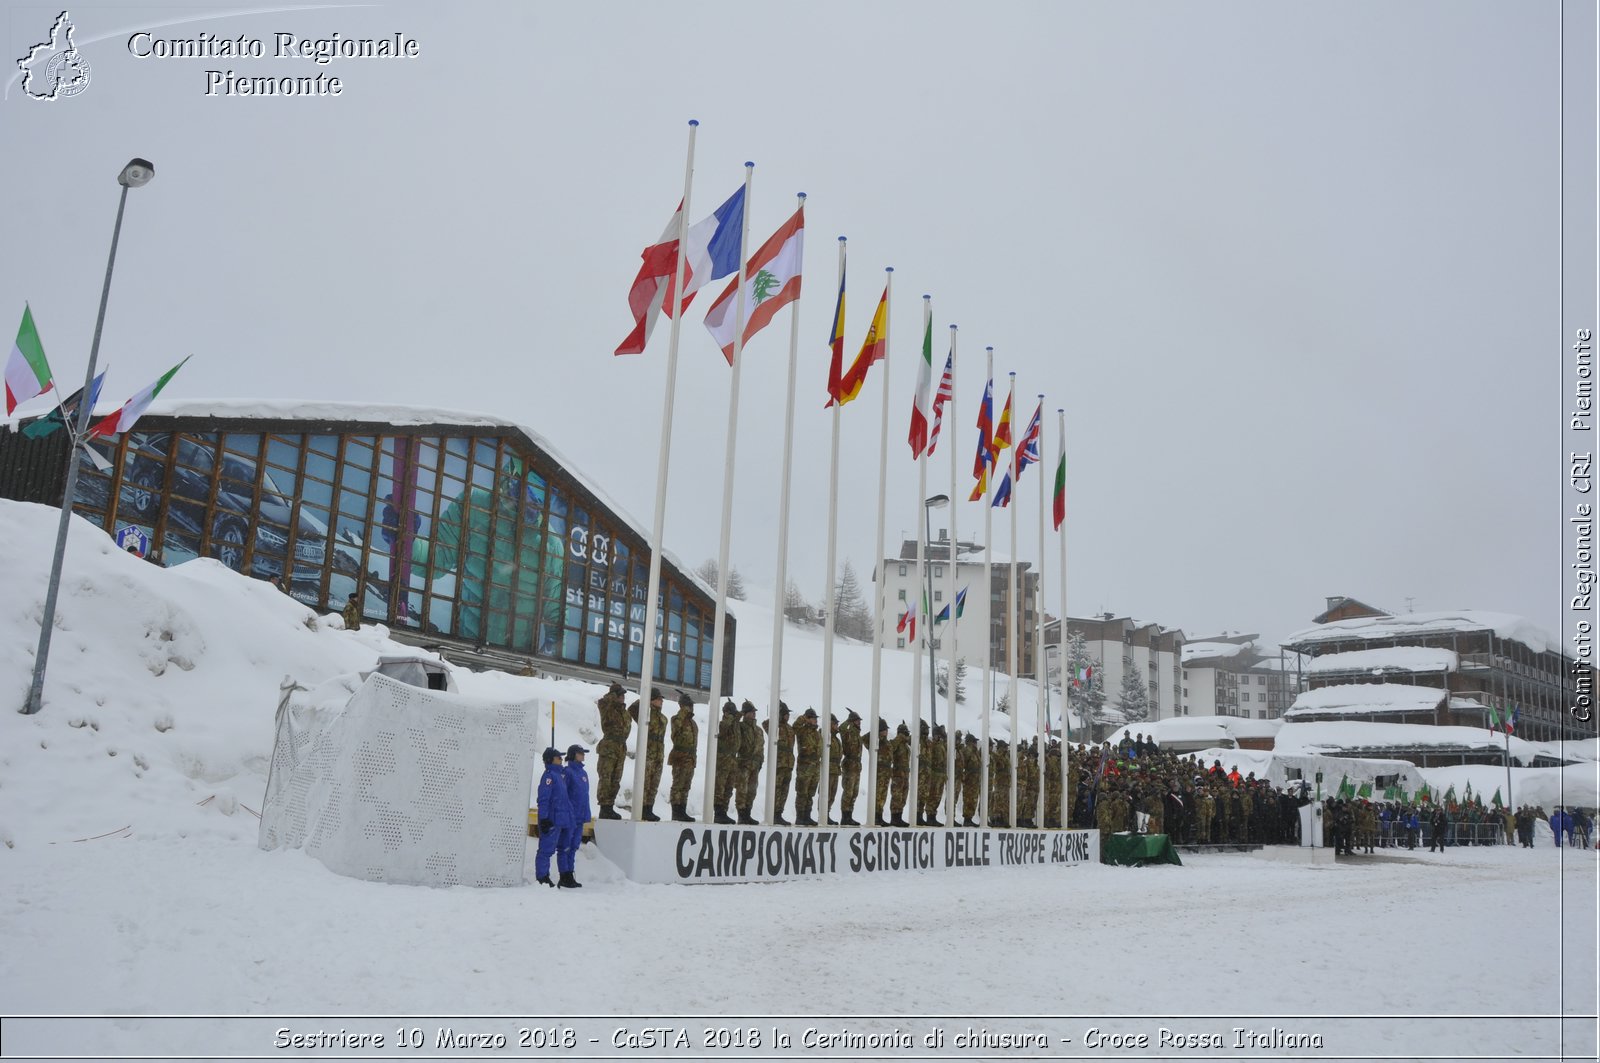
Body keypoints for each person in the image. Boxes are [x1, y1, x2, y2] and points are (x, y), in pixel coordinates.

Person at [534, 747, 572, 887]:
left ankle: (565, 876)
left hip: (562, 818)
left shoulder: (559, 775)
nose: (561, 760)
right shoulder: (549, 776)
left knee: (563, 847)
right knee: (546, 849)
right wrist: (544, 818)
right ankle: (542, 877)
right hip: (552, 818)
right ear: (551, 759)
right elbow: (543, 799)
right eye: (558, 757)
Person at [595, 682, 631, 819]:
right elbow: (603, 702)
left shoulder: (624, 712)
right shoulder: (607, 707)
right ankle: (604, 807)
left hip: (621, 748)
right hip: (609, 747)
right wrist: (612, 694)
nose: (622, 698)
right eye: (620, 695)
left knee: (616, 779)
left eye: (623, 695)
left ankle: (610, 806)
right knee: (606, 777)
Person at [559, 744, 591, 888]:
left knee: (574, 846)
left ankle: (570, 874)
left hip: (580, 816)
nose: (583, 755)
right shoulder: (568, 772)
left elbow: (584, 796)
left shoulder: (583, 773)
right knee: (565, 846)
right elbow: (563, 794)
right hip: (571, 816)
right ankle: (564, 875)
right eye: (580, 753)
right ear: (573, 755)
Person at [668, 692, 697, 822]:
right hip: (680, 757)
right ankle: (676, 812)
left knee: (686, 785)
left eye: (690, 706)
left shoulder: (693, 723)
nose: (691, 708)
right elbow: (676, 730)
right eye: (688, 706)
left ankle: (682, 811)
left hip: (690, 758)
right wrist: (683, 711)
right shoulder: (676, 719)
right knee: (678, 785)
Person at [639, 690, 667, 822]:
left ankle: (649, 808)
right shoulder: (646, 713)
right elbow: (633, 709)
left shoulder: (663, 718)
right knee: (645, 782)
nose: (661, 701)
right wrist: (646, 701)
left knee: (654, 783)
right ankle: (642, 808)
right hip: (649, 752)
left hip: (658, 753)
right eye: (659, 699)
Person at [735, 701, 764, 825]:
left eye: (754, 712)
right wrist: (739, 715)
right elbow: (733, 727)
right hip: (743, 762)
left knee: (752, 790)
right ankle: (741, 815)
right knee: (742, 789)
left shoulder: (758, 730)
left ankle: (748, 813)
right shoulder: (740, 726)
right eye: (751, 712)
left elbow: (761, 746)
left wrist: (761, 761)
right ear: (745, 713)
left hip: (755, 764)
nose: (754, 714)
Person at [713, 700, 740, 825]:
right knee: (720, 786)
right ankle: (718, 813)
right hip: (723, 759)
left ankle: (724, 811)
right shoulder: (723, 723)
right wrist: (728, 716)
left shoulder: (735, 725)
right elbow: (723, 729)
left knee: (729, 788)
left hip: (732, 759)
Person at [793, 709, 821, 826]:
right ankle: (800, 817)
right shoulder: (802, 730)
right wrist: (803, 717)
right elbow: (795, 726)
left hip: (815, 766)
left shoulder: (817, 733)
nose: (815, 720)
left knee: (811, 793)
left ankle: (807, 816)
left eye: (815, 718)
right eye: (812, 718)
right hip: (805, 766)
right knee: (802, 792)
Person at [837, 709, 863, 827]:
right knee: (848, 791)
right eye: (857, 721)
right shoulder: (847, 731)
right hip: (849, 764)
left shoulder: (857, 734)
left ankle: (850, 815)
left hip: (856, 765)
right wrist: (848, 720)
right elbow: (841, 728)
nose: (859, 723)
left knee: (854, 792)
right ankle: (844, 817)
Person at [772, 703, 795, 826]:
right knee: (776, 789)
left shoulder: (790, 729)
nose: (787, 716)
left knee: (784, 790)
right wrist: (777, 716)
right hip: (779, 763)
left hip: (788, 763)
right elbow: (766, 724)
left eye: (788, 714)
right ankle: (773, 813)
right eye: (785, 714)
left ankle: (779, 813)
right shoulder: (775, 726)